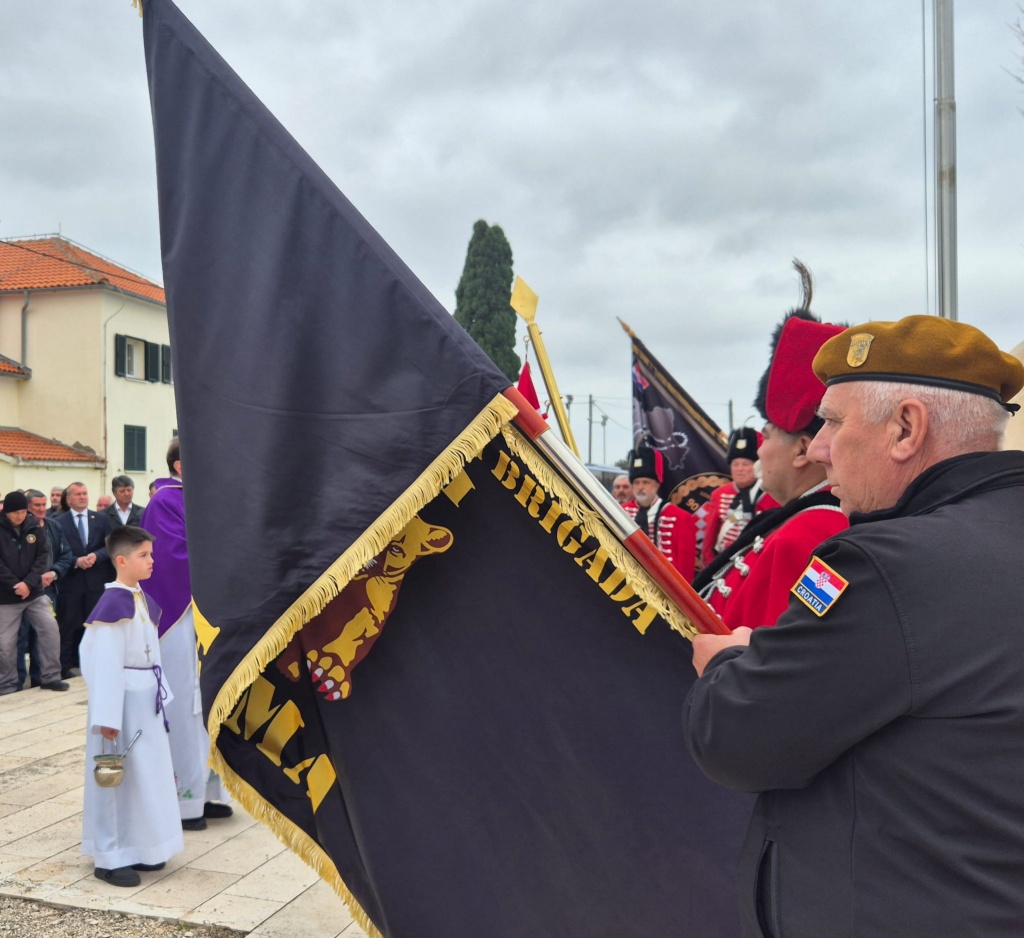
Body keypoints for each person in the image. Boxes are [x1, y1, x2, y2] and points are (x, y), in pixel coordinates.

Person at [685, 315, 1024, 937]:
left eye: (833, 423)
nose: (817, 448)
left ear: (906, 429)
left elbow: (737, 736)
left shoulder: (881, 565)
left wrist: (731, 663)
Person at [693, 309, 849, 628]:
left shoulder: (807, 535)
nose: (759, 452)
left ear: (801, 450)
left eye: (766, 437)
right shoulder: (801, 522)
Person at [80, 525, 184, 887]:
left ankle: (140, 846)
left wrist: (162, 697)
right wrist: (107, 717)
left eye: (151, 554)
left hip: (145, 703)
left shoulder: (140, 598)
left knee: (144, 778)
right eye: (144, 555)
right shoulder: (114, 605)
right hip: (121, 707)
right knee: (116, 782)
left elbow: (152, 656)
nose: (152, 561)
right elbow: (104, 664)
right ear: (122, 561)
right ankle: (110, 857)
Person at [140, 438, 231, 830]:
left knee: (207, 703)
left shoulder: (202, 497)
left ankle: (208, 793)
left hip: (208, 614)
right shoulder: (164, 501)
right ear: (179, 466)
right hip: (180, 618)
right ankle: (184, 803)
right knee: (183, 706)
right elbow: (172, 559)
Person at [0, 491, 69, 695]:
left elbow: (43, 556)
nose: (20, 516)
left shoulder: (34, 526)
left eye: (23, 511)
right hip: (6, 597)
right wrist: (16, 585)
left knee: (50, 629)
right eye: (16, 513)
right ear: (6, 512)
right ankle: (8, 684)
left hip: (35, 593)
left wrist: (28, 584)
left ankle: (51, 677)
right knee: (5, 643)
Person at [55, 482, 115, 677]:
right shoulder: (58, 522)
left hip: (96, 582)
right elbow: (55, 550)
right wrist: (75, 561)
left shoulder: (101, 519)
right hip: (71, 583)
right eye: (78, 494)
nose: (82, 497)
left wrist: (97, 556)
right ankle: (65, 666)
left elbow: (110, 545)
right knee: (68, 625)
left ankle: (92, 663)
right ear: (69, 499)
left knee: (95, 625)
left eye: (85, 493)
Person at [17, 490, 75, 689]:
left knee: (46, 635)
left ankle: (42, 678)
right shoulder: (17, 529)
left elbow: (67, 555)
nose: (42, 509)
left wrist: (54, 572)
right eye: (37, 505)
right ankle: (17, 682)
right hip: (22, 592)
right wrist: (32, 579)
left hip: (48, 591)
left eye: (44, 504)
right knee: (19, 637)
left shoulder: (54, 526)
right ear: (27, 507)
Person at [700, 427, 779, 567]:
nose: (740, 469)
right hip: (723, 564)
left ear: (757, 466)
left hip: (756, 563)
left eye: (745, 464)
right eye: (735, 464)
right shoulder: (720, 494)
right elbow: (709, 541)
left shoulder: (772, 495)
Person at [621, 441, 697, 582]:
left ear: (656, 485)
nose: (640, 487)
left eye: (646, 482)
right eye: (636, 483)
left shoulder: (681, 518)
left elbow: (685, 569)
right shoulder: (621, 512)